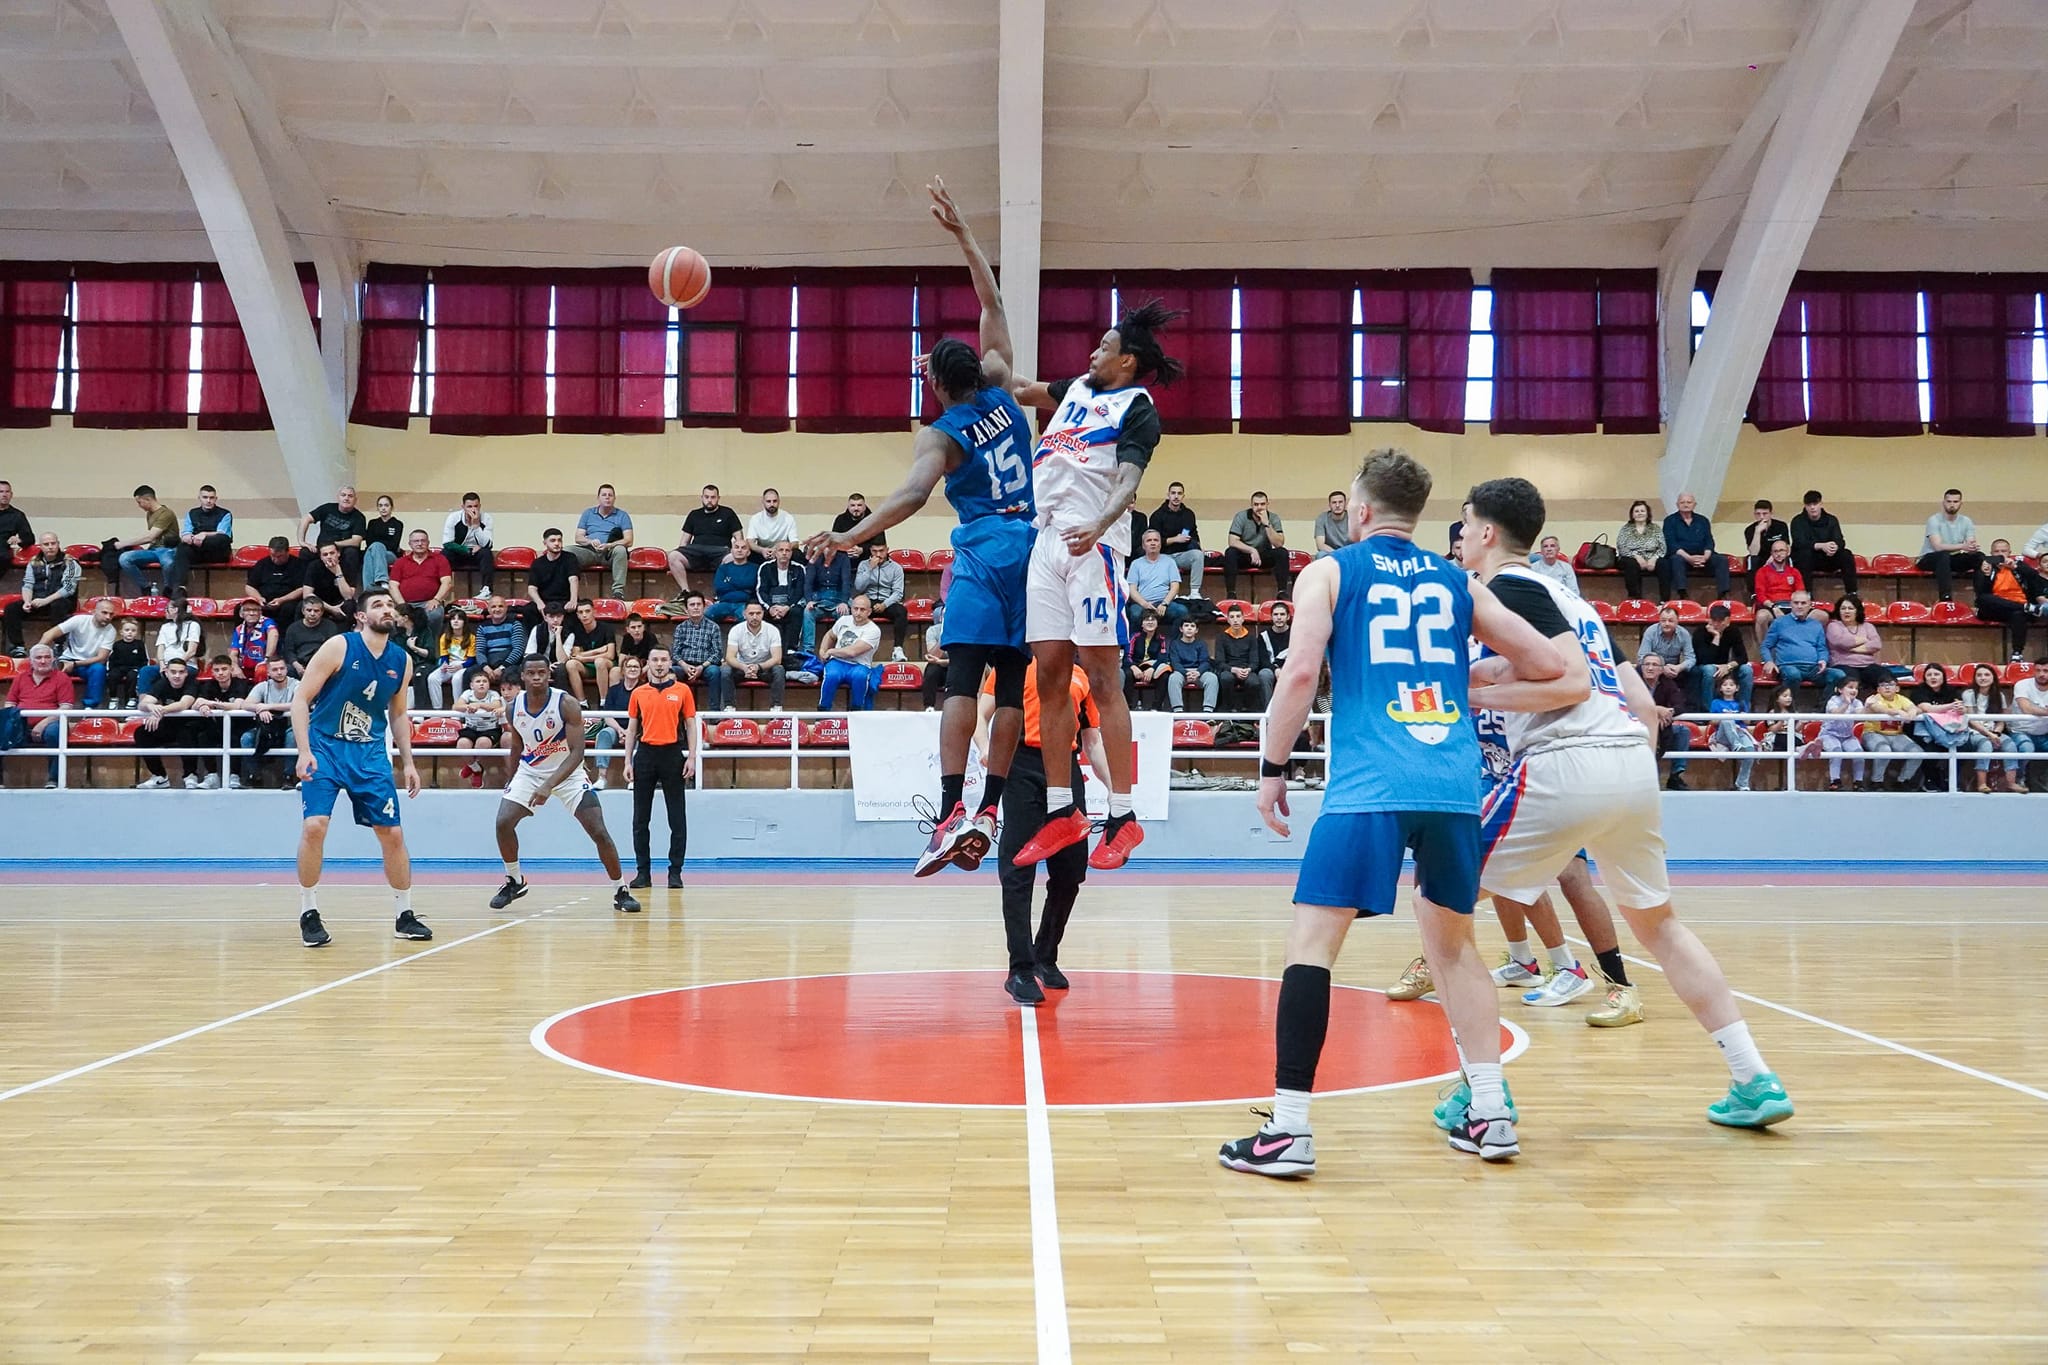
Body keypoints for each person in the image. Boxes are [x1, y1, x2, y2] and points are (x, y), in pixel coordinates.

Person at [1218, 449, 1573, 1177]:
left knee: (1311, 945)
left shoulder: (1329, 570)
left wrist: (1273, 767)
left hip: (1370, 784)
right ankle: (1491, 1111)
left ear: (1358, 509)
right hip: (1450, 784)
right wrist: (1460, 679)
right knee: (1455, 948)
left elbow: (1300, 671)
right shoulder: (1457, 580)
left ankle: (1287, 1128)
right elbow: (1545, 664)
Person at [1460, 475, 1794, 1133]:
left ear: (1490, 532)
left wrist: (1469, 696)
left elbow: (1565, 683)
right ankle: (1753, 1076)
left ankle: (1478, 1090)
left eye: (1467, 524)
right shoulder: (1573, 600)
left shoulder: (1507, 589)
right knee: (1661, 925)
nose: (1462, 536)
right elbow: (1640, 703)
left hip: (1567, 759)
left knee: (1441, 902)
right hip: (1629, 766)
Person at [804, 177, 1037, 876]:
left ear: (935, 384)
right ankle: (991, 809)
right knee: (1012, 684)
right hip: (1034, 547)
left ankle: (946, 815)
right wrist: (964, 232)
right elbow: (991, 301)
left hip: (987, 553)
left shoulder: (941, 432)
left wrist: (849, 536)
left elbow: (910, 496)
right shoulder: (1001, 384)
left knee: (960, 682)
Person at [1004, 290, 1182, 873]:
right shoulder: (1076, 391)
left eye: (1103, 347)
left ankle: (1124, 815)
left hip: (1095, 543)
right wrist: (959, 371)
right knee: (1049, 677)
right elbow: (1016, 387)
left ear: (1127, 360)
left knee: (1103, 679)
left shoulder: (1136, 404)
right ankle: (1063, 812)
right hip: (1048, 541)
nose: (1092, 353)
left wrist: (1100, 524)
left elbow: (1129, 478)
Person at [290, 588, 432, 948]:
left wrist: (409, 762)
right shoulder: (339, 646)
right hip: (325, 747)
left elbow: (398, 714)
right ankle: (309, 911)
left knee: (392, 834)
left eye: (390, 605)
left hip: (369, 753)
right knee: (315, 827)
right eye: (378, 605)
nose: (387, 609)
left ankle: (405, 914)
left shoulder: (402, 660)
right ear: (361, 616)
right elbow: (301, 699)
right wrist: (304, 750)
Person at [982, 663, 1107, 1004]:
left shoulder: (1081, 675)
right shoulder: (1014, 666)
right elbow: (981, 713)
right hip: (1020, 764)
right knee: (1018, 869)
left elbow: (1092, 740)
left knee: (1071, 871)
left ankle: (1045, 955)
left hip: (1066, 768)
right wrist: (985, 749)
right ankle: (1019, 969)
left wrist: (1116, 792)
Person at [486, 655, 639, 913]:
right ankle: (514, 880)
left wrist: (549, 785)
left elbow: (577, 752)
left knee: (598, 830)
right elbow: (516, 746)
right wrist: (511, 778)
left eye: (541, 672)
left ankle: (621, 890)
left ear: (549, 675)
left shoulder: (566, 703)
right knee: (503, 822)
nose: (536, 677)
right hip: (530, 771)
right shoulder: (514, 707)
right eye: (531, 673)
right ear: (523, 676)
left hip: (568, 773)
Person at [623, 644, 699, 889]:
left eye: (663, 659)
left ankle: (675, 872)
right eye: (654, 659)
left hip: (672, 754)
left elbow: (690, 725)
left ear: (669, 663)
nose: (659, 664)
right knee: (640, 819)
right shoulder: (639, 693)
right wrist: (627, 760)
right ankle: (642, 873)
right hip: (645, 754)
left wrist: (692, 757)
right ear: (649, 663)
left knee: (677, 818)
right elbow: (632, 729)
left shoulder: (683, 690)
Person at [132, 656, 206, 789]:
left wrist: (160, 711)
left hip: (190, 724)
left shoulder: (192, 683)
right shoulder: (162, 684)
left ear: (186, 673)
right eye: (173, 672)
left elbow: (183, 704)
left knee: (186, 734)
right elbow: (142, 704)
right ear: (166, 672)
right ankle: (160, 776)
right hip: (170, 725)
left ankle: (190, 775)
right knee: (142, 733)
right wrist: (151, 707)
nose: (177, 676)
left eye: (181, 672)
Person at [7, 644, 74, 788]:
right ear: (31, 661)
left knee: (55, 733)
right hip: (22, 723)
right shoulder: (20, 678)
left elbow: (66, 707)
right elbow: (10, 703)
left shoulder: (62, 678)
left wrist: (43, 723)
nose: (43, 661)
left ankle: (54, 780)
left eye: (47, 657)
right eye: (38, 658)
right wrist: (13, 722)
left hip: (51, 722)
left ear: (53, 659)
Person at [4, 532, 80, 656]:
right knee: (11, 609)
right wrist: (27, 601)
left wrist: (46, 600)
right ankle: (18, 647)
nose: (50, 547)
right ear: (41, 546)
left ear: (58, 544)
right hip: (38, 601)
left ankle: (59, 645)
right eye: (46, 544)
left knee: (58, 605)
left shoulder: (71, 563)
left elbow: (68, 588)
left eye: (53, 543)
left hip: (62, 601)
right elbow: (28, 584)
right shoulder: (33, 562)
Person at [1972, 540, 2048, 662]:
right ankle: (2026, 607)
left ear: (2009, 553)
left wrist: (2015, 567)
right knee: (1983, 598)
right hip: (1996, 608)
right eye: (1996, 551)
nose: (2000, 554)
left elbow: (2035, 578)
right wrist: (1986, 575)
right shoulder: (1984, 567)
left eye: (2003, 551)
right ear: (1991, 553)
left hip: (2019, 608)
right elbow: (1980, 593)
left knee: (2018, 614)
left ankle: (2017, 654)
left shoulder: (2019, 565)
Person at [1959, 663, 2029, 795]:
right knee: (1985, 745)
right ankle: (1982, 784)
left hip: (1993, 731)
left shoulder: (1999, 695)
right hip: (1974, 732)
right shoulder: (1968, 694)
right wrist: (1989, 735)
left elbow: (2000, 720)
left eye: (1986, 675)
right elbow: (1971, 720)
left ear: (1993, 678)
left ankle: (2011, 783)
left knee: (2010, 745)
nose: (1982, 678)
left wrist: (1996, 732)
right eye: (1979, 675)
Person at [667, 485, 742, 598]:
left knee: (733, 557)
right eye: (707, 497)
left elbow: (739, 539)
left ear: (718, 498)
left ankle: (720, 592)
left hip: (720, 553)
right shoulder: (694, 514)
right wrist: (680, 552)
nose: (709, 500)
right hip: (696, 552)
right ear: (702, 498)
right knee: (673, 556)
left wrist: (738, 551)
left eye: (713, 497)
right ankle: (685, 592)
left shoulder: (728, 513)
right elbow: (684, 542)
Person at [40, 597, 115, 706]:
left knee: (99, 669)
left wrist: (75, 664)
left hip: (88, 664)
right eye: (104, 613)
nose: (108, 617)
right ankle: (47, 704)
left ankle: (89, 708)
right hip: (67, 660)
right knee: (49, 668)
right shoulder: (79, 620)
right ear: (94, 612)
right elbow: (49, 634)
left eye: (111, 614)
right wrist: (37, 653)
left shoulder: (111, 630)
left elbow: (101, 658)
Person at [238, 657, 297, 788]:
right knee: (246, 738)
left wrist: (268, 706)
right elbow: (246, 704)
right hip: (267, 727)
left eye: (282, 668)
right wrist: (259, 709)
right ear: (268, 673)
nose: (279, 672)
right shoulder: (262, 686)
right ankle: (255, 777)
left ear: (287, 669)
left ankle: (288, 776)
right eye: (275, 669)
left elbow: (299, 703)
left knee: (293, 736)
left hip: (288, 726)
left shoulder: (296, 684)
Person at [1660, 491, 1730, 599]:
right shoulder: (1670, 521)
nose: (1686, 504)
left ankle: (1724, 594)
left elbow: (1709, 541)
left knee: (1722, 559)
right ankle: (1682, 593)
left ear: (1694, 504)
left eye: (1689, 502)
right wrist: (1689, 558)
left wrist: (1705, 557)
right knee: (1676, 559)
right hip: (1682, 557)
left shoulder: (1703, 520)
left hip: (1702, 558)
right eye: (1682, 502)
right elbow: (1671, 543)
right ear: (1677, 505)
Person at [165, 484, 234, 594]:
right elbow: (187, 532)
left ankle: (198, 542)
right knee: (182, 547)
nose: (208, 501)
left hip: (218, 552)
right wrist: (189, 537)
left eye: (211, 498)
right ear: (199, 498)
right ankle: (180, 588)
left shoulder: (225, 514)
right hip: (197, 549)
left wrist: (204, 535)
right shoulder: (192, 513)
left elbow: (223, 534)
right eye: (205, 497)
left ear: (215, 499)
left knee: (222, 539)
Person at [114, 485, 180, 597]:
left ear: (148, 499)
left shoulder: (166, 514)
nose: (139, 506)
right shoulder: (149, 514)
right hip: (153, 550)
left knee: (168, 563)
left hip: (167, 549)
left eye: (140, 502)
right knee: (125, 558)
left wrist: (122, 543)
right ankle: (145, 587)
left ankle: (168, 589)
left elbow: (150, 537)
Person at [1919, 488, 1983, 603]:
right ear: (1944, 503)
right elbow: (1937, 547)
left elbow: (1969, 543)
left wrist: (1972, 549)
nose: (1952, 505)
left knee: (1979, 557)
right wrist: (1963, 546)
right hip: (1930, 558)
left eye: (1955, 502)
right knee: (1943, 555)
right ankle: (1946, 598)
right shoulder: (1934, 520)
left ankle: (1982, 597)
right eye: (1949, 501)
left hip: (1952, 558)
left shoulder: (1966, 521)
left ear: (1961, 504)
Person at [388, 529, 454, 641]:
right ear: (410, 544)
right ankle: (401, 649)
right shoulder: (400, 562)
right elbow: (393, 585)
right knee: (390, 618)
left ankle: (429, 646)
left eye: (423, 541)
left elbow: (447, 582)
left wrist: (436, 600)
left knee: (435, 615)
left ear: (428, 543)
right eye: (416, 541)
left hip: (429, 603)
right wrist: (403, 605)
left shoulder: (440, 559)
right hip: (405, 603)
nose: (420, 543)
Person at [818, 594, 881, 712]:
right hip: (838, 662)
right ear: (851, 608)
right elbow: (830, 635)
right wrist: (822, 650)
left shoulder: (874, 630)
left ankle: (857, 712)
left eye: (862, 610)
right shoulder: (843, 620)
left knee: (860, 677)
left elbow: (853, 652)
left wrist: (831, 651)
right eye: (855, 609)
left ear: (869, 612)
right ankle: (822, 713)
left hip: (860, 664)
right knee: (832, 676)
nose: (858, 613)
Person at [571, 483, 635, 600]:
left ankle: (618, 592)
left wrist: (610, 545)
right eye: (604, 495)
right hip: (590, 551)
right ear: (598, 498)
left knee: (621, 550)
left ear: (614, 498)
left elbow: (629, 540)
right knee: (567, 552)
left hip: (610, 553)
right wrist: (590, 541)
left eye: (610, 495)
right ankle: (571, 591)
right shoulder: (588, 513)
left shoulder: (622, 515)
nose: (607, 497)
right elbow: (578, 537)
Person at [1762, 591, 1829, 701]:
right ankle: (1790, 711)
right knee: (1793, 675)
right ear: (1791, 604)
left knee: (1838, 675)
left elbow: (1822, 648)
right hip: (1788, 666)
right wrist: (1769, 661)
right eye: (1796, 603)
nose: (1799, 606)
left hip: (1813, 668)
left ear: (1810, 605)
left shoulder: (1816, 625)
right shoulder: (1779, 622)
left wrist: (1823, 659)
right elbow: (1766, 646)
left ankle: (1822, 711)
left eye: (1803, 603)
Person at [1640, 654, 1693, 790]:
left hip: (1663, 725)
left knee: (1683, 731)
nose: (1650, 668)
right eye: (1647, 664)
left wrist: (1669, 712)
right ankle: (1649, 782)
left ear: (1661, 669)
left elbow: (1680, 704)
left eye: (1654, 665)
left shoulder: (1667, 683)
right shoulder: (1634, 682)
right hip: (1637, 727)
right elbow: (1626, 704)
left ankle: (1675, 775)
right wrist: (1655, 710)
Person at [1223, 491, 1290, 600]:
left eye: (1262, 504)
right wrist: (1252, 550)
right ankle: (1231, 593)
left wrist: (1267, 524)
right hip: (1246, 555)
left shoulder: (1273, 518)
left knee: (1282, 552)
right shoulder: (1241, 516)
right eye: (1256, 504)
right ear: (1251, 505)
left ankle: (1282, 592)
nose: (1259, 507)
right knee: (1230, 552)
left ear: (1267, 504)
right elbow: (1232, 541)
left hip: (1264, 555)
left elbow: (1279, 543)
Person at [1789, 490, 1856, 595]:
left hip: (1828, 558)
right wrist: (1820, 546)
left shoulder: (1831, 520)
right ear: (1805, 506)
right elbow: (1799, 543)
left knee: (1846, 555)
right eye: (1809, 505)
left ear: (1821, 504)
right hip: (1808, 560)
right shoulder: (1797, 521)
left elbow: (1840, 541)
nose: (1812, 507)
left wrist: (1834, 547)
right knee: (1804, 555)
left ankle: (1852, 593)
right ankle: (1806, 595)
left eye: (1815, 504)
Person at [1861, 674, 1922, 790]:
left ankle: (1903, 781)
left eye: (1890, 685)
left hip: (1896, 735)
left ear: (1897, 688)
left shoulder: (1902, 699)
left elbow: (1914, 708)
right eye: (1883, 685)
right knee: (1884, 750)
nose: (1887, 688)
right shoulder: (1874, 698)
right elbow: (1879, 709)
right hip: (1873, 733)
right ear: (1878, 689)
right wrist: (1898, 711)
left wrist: (1912, 712)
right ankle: (1876, 782)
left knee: (1917, 752)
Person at [298, 485, 368, 585]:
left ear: (355, 500)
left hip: (343, 552)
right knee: (305, 552)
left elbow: (356, 541)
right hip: (323, 550)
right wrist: (302, 541)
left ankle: (348, 588)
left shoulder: (359, 517)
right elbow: (306, 519)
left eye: (350, 496)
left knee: (352, 552)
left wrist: (334, 544)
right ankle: (303, 587)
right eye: (343, 495)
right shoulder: (327, 508)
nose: (346, 498)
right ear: (338, 497)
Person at [666, 592, 725, 705]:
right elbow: (675, 653)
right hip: (684, 665)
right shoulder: (680, 628)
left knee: (715, 672)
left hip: (706, 666)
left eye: (699, 604)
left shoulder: (713, 627)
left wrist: (701, 667)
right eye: (692, 605)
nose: (696, 607)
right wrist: (685, 666)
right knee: (671, 672)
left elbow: (717, 653)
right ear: (686, 609)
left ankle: (714, 714)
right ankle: (673, 709)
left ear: (704, 607)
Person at [853, 540, 909, 658]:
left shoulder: (896, 568)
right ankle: (855, 648)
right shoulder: (864, 565)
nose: (878, 555)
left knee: (901, 611)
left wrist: (884, 604)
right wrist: (870, 569)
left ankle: (897, 649)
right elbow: (858, 588)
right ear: (870, 551)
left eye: (881, 551)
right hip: (868, 601)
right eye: (874, 551)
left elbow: (898, 593)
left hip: (887, 601)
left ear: (887, 550)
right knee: (855, 611)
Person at [1123, 528, 1186, 635]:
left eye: (1156, 540)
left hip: (1164, 604)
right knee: (1134, 613)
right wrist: (1144, 604)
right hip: (1142, 604)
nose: (1153, 543)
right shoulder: (1136, 564)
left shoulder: (1170, 562)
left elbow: (1175, 586)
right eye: (1149, 540)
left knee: (1182, 611)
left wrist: (1165, 603)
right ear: (1143, 546)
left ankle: (1173, 646)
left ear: (1160, 544)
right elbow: (1132, 589)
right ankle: (1133, 647)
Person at [724, 601, 785, 710]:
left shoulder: (772, 630)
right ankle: (729, 707)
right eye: (751, 614)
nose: (755, 617)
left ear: (763, 613)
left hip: (763, 668)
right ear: (744, 614)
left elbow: (777, 659)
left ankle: (776, 708)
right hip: (742, 668)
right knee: (725, 670)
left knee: (779, 669)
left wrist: (758, 667)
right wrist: (744, 667)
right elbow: (729, 657)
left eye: (758, 613)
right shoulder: (736, 630)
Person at [1692, 602, 1753, 711]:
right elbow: (1704, 660)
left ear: (1727, 621)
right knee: (1710, 669)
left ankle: (1744, 710)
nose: (1716, 624)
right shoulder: (1700, 632)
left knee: (1747, 670)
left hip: (1724, 666)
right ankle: (1709, 712)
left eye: (1720, 621)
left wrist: (1728, 666)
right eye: (1713, 620)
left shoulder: (1733, 631)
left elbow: (1743, 657)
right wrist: (1716, 637)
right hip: (1702, 668)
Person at [452, 667, 508, 787]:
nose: (481, 683)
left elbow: (496, 705)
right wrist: (468, 707)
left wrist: (479, 705)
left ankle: (472, 766)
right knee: (462, 744)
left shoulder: (493, 694)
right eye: (478, 681)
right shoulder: (467, 693)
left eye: (485, 681)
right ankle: (476, 769)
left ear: (489, 685)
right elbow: (456, 706)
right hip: (471, 728)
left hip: (490, 729)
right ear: (472, 685)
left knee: (482, 744)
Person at [755, 540, 810, 657]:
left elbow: (800, 592)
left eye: (787, 550)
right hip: (770, 605)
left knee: (797, 612)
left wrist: (787, 607)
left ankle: (791, 649)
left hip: (790, 605)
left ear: (791, 553)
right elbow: (761, 591)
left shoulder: (799, 568)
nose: (784, 553)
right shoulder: (765, 567)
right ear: (775, 553)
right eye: (781, 550)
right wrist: (770, 608)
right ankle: (765, 648)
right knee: (759, 613)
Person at [1707, 671, 1760, 792]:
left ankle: (1742, 782)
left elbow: (1747, 723)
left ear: (1737, 688)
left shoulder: (1741, 703)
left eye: (1731, 685)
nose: (1728, 687)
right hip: (1723, 735)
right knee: (1727, 719)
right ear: (1720, 688)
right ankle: (1737, 746)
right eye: (1725, 685)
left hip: (1740, 732)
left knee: (1750, 750)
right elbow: (1712, 722)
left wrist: (1742, 716)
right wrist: (1727, 716)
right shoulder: (1716, 703)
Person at [1148, 481, 1204, 589]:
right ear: (1168, 495)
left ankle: (1195, 592)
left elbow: (1194, 534)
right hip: (1163, 555)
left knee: (1198, 555)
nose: (1176, 496)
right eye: (1173, 493)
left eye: (1179, 493)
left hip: (1182, 555)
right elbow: (1153, 542)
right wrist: (1175, 539)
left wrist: (1199, 547)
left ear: (1183, 496)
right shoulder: (1157, 515)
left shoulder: (1189, 514)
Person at [1825, 594, 1886, 690]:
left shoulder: (1868, 626)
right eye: (1843, 608)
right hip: (1843, 664)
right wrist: (1864, 639)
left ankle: (1884, 704)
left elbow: (1876, 644)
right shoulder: (1833, 626)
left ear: (1857, 611)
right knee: (1851, 680)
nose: (1846, 611)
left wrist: (1851, 648)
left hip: (1868, 664)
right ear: (1838, 610)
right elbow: (1841, 642)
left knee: (1887, 678)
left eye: (1850, 608)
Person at [1818, 676, 1869, 792]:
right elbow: (1835, 713)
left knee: (1859, 754)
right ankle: (1834, 782)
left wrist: (1868, 707)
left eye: (1856, 688)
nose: (1854, 690)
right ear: (1840, 690)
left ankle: (1858, 782)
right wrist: (1846, 703)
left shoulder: (1857, 702)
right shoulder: (1833, 700)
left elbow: (1861, 714)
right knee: (1836, 751)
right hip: (1828, 734)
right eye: (1850, 687)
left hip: (1847, 736)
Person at [561, 600, 616, 704]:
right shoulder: (577, 630)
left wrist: (584, 657)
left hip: (606, 665)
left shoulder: (606, 628)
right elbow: (576, 655)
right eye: (581, 612)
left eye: (587, 611)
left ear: (594, 612)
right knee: (571, 664)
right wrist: (599, 650)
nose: (584, 615)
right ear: (577, 615)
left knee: (600, 662)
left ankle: (604, 702)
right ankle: (582, 703)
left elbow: (610, 655)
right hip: (587, 667)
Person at [441, 492, 496, 593]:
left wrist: (476, 525)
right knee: (445, 553)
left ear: (480, 506)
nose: (473, 509)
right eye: (469, 506)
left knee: (486, 553)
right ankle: (442, 588)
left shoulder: (486, 518)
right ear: (463, 507)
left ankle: (486, 589)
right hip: (459, 553)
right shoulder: (453, 518)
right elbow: (447, 543)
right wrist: (468, 550)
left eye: (476, 506)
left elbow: (488, 544)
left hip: (477, 555)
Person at [426, 607, 477, 710]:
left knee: (457, 678)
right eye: (453, 619)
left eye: (459, 619)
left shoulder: (471, 638)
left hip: (464, 664)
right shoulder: (444, 637)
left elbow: (472, 660)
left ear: (464, 622)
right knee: (432, 678)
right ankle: (437, 709)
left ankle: (457, 708)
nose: (456, 621)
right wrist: (444, 665)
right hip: (450, 664)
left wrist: (461, 666)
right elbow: (444, 656)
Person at [1216, 603, 1264, 711]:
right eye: (1232, 617)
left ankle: (1247, 710)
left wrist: (1248, 669)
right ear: (1228, 620)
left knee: (1254, 682)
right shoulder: (1221, 638)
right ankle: (1229, 709)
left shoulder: (1251, 638)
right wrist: (1233, 670)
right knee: (1225, 678)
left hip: (1246, 669)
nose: (1235, 620)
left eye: (1238, 617)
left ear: (1243, 619)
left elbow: (1255, 661)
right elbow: (1219, 662)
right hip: (1229, 669)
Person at [1636, 604, 1695, 693]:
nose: (1666, 624)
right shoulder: (1651, 632)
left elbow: (1691, 658)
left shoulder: (1684, 634)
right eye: (1663, 621)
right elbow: (1642, 657)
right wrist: (1661, 668)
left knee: (1693, 672)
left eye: (1670, 621)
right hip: (1655, 667)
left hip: (1674, 669)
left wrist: (1679, 667)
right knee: (1639, 669)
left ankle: (1687, 704)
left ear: (1677, 621)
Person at [245, 536, 307, 619]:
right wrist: (259, 598)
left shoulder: (299, 565)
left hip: (287, 601)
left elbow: (301, 589)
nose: (275, 559)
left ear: (288, 552)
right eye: (273, 555)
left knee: (289, 609)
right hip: (264, 601)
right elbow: (250, 586)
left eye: (280, 556)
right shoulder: (262, 564)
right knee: (241, 608)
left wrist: (282, 600)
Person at [525, 528, 579, 622]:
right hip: (545, 601)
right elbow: (532, 588)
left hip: (564, 601)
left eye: (559, 540)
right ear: (545, 543)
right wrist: (539, 602)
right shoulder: (538, 563)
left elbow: (573, 579)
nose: (557, 543)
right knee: (528, 610)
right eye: (553, 540)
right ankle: (536, 636)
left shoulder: (570, 558)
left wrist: (573, 600)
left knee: (575, 611)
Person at [1164, 617, 1216, 713]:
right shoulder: (1175, 644)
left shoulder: (1201, 644)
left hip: (1198, 672)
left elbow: (1205, 661)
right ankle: (1178, 711)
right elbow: (1175, 662)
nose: (1189, 628)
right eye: (1186, 625)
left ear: (1196, 630)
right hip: (1181, 672)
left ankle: (1208, 712)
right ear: (1181, 629)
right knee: (1173, 678)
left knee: (1212, 678)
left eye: (1192, 626)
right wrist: (1185, 673)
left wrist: (1198, 672)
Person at [1616, 498, 1664, 601]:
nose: (1639, 513)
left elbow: (1662, 547)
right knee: (1631, 564)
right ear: (1632, 514)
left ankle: (1664, 599)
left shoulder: (1655, 528)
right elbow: (1621, 547)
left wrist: (1654, 558)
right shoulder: (1626, 529)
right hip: (1630, 557)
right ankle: (1635, 597)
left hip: (1651, 558)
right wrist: (1636, 556)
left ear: (1647, 513)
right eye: (1636, 511)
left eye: (1642, 511)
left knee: (1665, 564)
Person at [2011, 658, 2048, 792]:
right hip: (2020, 731)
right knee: (2027, 749)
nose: (2041, 674)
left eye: (2045, 671)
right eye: (2038, 670)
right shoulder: (2022, 684)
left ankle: (2042, 781)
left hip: (2044, 733)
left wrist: (2042, 712)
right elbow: (2026, 708)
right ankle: (2018, 779)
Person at [281, 595, 341, 678]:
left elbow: (333, 650)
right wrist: (297, 665)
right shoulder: (293, 628)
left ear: (322, 612)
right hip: (299, 665)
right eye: (309, 610)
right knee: (286, 670)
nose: (312, 614)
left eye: (316, 611)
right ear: (303, 611)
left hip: (322, 664)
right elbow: (289, 651)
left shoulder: (330, 626)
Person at [473, 596, 525, 688]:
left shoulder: (515, 624)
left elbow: (518, 650)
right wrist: (486, 668)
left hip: (509, 664)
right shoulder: (482, 627)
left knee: (510, 675)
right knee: (469, 673)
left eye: (500, 606)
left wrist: (502, 667)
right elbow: (480, 651)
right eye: (493, 607)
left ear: (506, 608)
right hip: (489, 663)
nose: (497, 609)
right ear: (488, 610)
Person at [1124, 610, 1171, 710]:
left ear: (1157, 623)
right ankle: (1129, 707)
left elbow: (1162, 658)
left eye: (1153, 619)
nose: (1150, 622)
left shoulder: (1161, 639)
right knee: (1127, 674)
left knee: (1165, 675)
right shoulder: (1134, 637)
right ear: (1142, 624)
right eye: (1146, 620)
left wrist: (1152, 669)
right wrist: (1134, 667)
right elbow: (1127, 656)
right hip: (1136, 667)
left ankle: (1156, 708)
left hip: (1151, 668)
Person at [705, 541, 759, 625]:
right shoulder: (723, 568)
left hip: (744, 604)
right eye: (736, 547)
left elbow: (751, 584)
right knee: (707, 613)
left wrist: (730, 582)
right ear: (732, 551)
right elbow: (719, 587)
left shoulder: (755, 568)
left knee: (748, 617)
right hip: (725, 603)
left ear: (748, 553)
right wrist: (743, 587)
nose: (739, 550)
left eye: (743, 548)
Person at [303, 542, 359, 622]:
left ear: (338, 553)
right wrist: (331, 609)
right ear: (321, 557)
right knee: (301, 605)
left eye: (332, 553)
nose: (329, 557)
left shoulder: (347, 565)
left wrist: (338, 572)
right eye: (325, 555)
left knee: (350, 604)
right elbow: (307, 595)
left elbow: (348, 596)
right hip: (321, 603)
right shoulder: (314, 566)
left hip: (340, 602)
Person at [360, 494, 404, 590]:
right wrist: (381, 543)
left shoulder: (397, 524)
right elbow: (369, 542)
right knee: (370, 555)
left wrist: (379, 543)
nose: (383, 508)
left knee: (376, 546)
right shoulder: (373, 523)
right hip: (373, 552)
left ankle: (380, 580)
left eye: (386, 505)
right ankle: (370, 589)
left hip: (389, 555)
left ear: (391, 507)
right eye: (380, 505)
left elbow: (394, 544)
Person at [742, 488, 798, 562]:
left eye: (775, 501)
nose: (772, 504)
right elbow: (750, 542)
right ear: (763, 502)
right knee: (748, 554)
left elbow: (795, 543)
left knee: (798, 554)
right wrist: (762, 550)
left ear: (779, 501)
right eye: (768, 501)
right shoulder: (756, 519)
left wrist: (779, 549)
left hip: (782, 552)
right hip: (762, 552)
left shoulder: (788, 518)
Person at [229, 597, 277, 680]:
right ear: (241, 613)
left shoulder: (267, 622)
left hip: (264, 664)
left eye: (255, 610)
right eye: (247, 610)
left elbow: (274, 635)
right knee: (228, 671)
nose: (251, 613)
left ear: (260, 613)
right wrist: (235, 666)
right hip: (244, 667)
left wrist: (266, 659)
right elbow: (233, 653)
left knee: (261, 670)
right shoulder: (239, 629)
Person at [104, 618, 146, 708]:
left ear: (137, 632)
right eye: (127, 630)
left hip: (133, 668)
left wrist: (141, 670)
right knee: (113, 675)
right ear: (121, 632)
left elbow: (145, 659)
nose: (130, 632)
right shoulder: (117, 645)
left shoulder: (140, 644)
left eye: (133, 630)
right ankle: (113, 698)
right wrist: (110, 670)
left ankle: (132, 698)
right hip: (119, 668)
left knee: (132, 676)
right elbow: (111, 659)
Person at [1742, 498, 1791, 567]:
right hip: (1760, 558)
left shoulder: (1781, 526)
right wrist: (1757, 532)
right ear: (1754, 514)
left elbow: (1787, 547)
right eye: (1758, 514)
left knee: (1785, 557)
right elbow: (1753, 553)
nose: (1761, 517)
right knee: (1752, 560)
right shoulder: (1749, 529)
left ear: (1771, 513)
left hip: (1778, 555)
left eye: (1765, 514)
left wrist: (1774, 557)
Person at [919, 602, 949, 711]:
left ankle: (952, 708)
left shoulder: (963, 632)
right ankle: (929, 707)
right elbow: (932, 656)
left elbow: (962, 659)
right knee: (931, 670)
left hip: (955, 664)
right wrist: (945, 635)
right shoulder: (933, 630)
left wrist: (943, 661)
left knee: (958, 669)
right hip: (938, 665)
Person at [0, 479, 30, 563]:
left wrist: (19, 539)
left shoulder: (17, 515)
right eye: (1, 492)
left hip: (2, 556)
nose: (4, 495)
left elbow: (29, 538)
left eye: (7, 492)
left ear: (11, 495)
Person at [1311, 491, 1350, 556]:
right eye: (1334, 503)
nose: (1337, 505)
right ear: (1329, 505)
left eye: (1340, 502)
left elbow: (1359, 542)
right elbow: (1320, 545)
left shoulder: (1353, 518)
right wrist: (1338, 554)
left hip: (1349, 551)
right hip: (1331, 552)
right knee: (1320, 555)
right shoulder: (1322, 518)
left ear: (1345, 504)